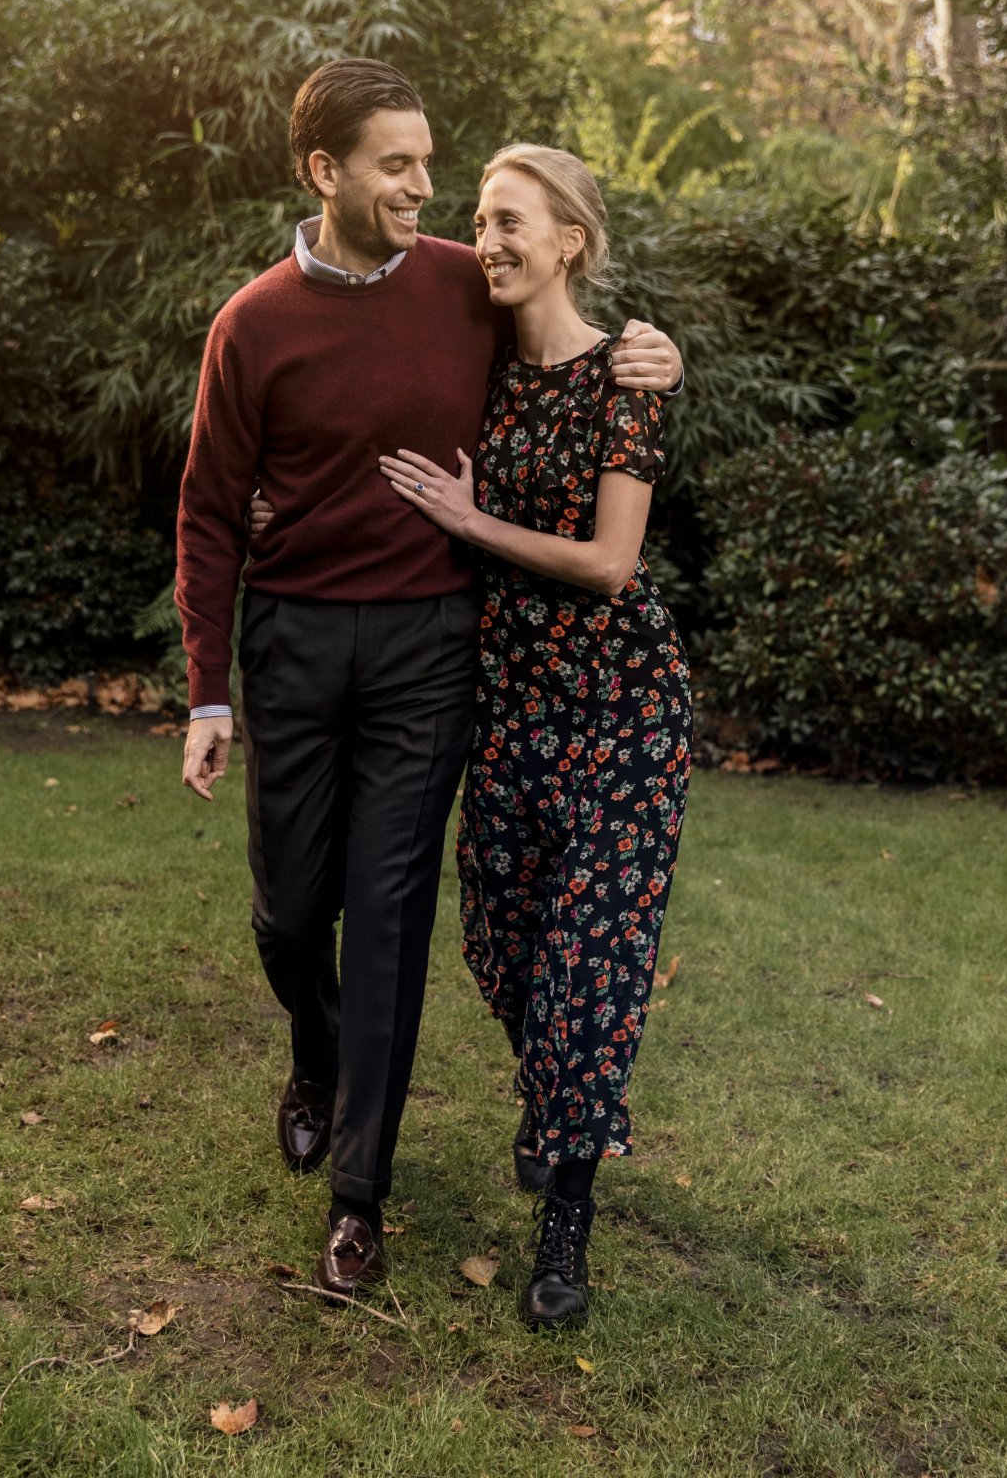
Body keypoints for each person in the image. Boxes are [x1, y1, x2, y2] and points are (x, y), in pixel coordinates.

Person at [174, 59, 683, 1300]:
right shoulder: (253, 322)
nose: (427, 189)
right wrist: (207, 689)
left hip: (429, 653)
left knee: (390, 919)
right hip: (294, 641)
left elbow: (579, 316)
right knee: (294, 917)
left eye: (430, 162)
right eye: (397, 165)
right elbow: (204, 514)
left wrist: (655, 351)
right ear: (325, 172)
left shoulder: (468, 280)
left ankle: (359, 1202)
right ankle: (315, 1049)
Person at [378, 144, 690, 1329]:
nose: (488, 239)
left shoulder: (630, 377)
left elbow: (612, 565)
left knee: (589, 973)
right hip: (509, 709)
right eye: (479, 220)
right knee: (504, 949)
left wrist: (471, 520)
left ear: (572, 241)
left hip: (622, 713)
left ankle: (566, 1223)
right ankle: (555, 1092)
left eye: (513, 221)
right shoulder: (478, 371)